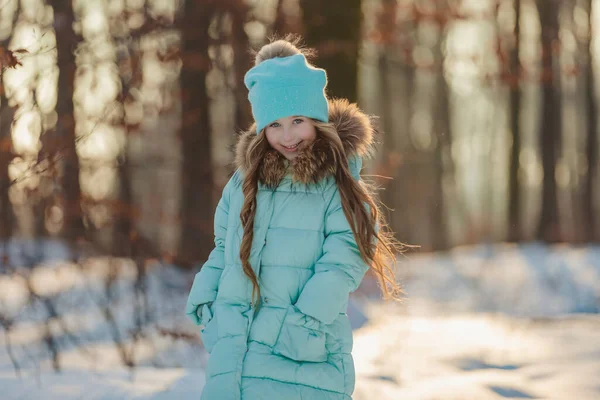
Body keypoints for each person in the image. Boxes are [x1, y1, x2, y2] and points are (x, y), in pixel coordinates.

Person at [185, 37, 401, 400]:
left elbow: (346, 254)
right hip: (236, 350)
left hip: (303, 353)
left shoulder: (336, 179)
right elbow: (224, 244)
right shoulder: (244, 181)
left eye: (298, 121)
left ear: (316, 119)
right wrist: (206, 303)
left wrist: (306, 322)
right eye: (274, 125)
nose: (287, 137)